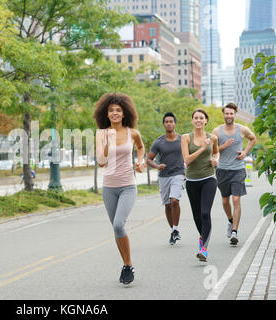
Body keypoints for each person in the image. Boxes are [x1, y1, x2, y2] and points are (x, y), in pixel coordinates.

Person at [94, 92, 145, 285]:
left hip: (127, 186)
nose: (115, 113)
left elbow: (140, 147)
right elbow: (101, 162)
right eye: (111, 110)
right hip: (109, 187)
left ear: (124, 114)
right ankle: (126, 265)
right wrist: (108, 142)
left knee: (118, 224)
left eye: (118, 110)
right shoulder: (101, 134)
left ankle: (128, 263)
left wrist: (140, 162)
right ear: (106, 114)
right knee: (116, 229)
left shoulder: (133, 132)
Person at [212, 103, 256, 246]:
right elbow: (211, 150)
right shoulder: (217, 131)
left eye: (231, 113)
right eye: (227, 113)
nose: (229, 116)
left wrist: (245, 152)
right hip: (222, 170)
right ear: (223, 114)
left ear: (235, 114)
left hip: (238, 170)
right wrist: (222, 147)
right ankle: (230, 221)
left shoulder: (242, 129)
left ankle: (235, 232)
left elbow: (253, 138)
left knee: (236, 200)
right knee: (225, 201)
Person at [181, 108, 219, 262]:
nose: (198, 120)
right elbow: (187, 159)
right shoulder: (186, 138)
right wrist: (203, 147)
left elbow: (216, 152)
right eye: (195, 118)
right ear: (192, 121)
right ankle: (202, 237)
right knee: (197, 215)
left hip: (209, 178)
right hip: (191, 181)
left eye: (201, 118)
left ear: (206, 121)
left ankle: (203, 249)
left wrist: (216, 160)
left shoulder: (213, 137)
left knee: (205, 213)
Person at [146, 112, 185, 245]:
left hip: (178, 174)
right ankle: (173, 232)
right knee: (168, 205)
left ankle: (176, 229)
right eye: (166, 121)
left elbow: (189, 154)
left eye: (171, 121)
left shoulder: (182, 140)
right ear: (164, 124)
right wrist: (157, 166)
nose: (169, 123)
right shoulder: (158, 142)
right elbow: (149, 159)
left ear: (175, 123)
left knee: (174, 200)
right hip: (164, 176)